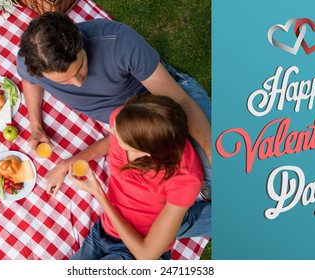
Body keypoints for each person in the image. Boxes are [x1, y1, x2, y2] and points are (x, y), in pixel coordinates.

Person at [17, 12, 212, 199]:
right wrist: (36, 127)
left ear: (80, 41)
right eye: (64, 81)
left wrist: (211, 151)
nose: (78, 83)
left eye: (80, 68)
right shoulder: (32, 64)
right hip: (132, 132)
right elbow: (29, 81)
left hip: (165, 104)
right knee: (170, 203)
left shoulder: (120, 42)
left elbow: (181, 102)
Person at [65, 95, 211, 260]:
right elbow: (112, 140)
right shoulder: (125, 117)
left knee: (183, 218)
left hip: (137, 250)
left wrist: (99, 194)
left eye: (119, 135)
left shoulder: (185, 180)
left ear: (147, 152)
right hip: (103, 230)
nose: (112, 129)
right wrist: (67, 163)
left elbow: (146, 255)